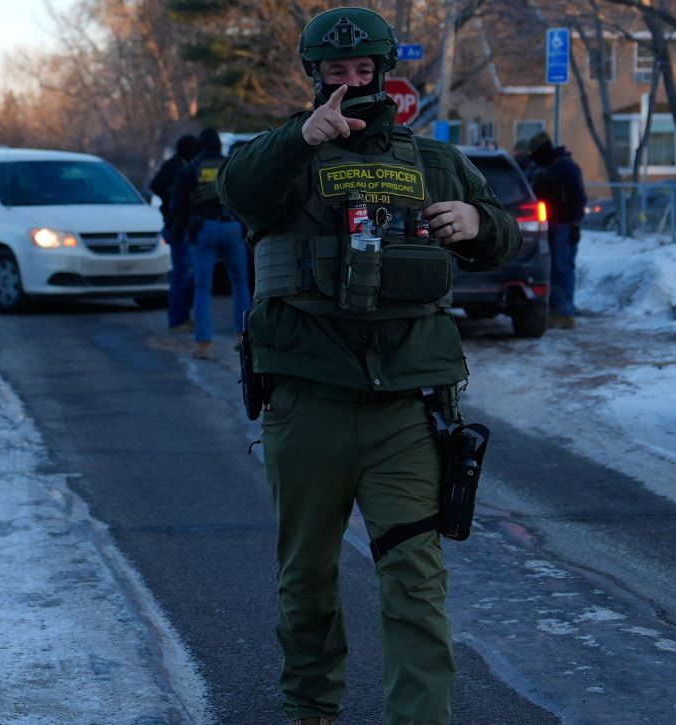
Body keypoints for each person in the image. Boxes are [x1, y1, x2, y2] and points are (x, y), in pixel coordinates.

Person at [217, 7, 520, 724]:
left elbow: (504, 232)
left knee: (415, 580)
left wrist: (479, 225)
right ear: (314, 74)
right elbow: (235, 191)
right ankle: (311, 707)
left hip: (406, 412)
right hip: (308, 403)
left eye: (361, 71)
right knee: (307, 578)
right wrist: (298, 137)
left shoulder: (434, 161)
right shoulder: (286, 160)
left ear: (383, 73)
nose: (349, 83)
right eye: (334, 72)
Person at [171, 128, 251, 359]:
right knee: (240, 282)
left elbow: (178, 206)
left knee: (202, 288)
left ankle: (203, 344)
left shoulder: (190, 170)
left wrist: (185, 227)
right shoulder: (230, 165)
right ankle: (243, 337)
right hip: (232, 227)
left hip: (203, 229)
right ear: (218, 145)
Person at [526, 130, 587, 329]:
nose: (533, 156)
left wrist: (575, 224)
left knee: (561, 267)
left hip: (564, 224)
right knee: (552, 268)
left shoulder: (566, 167)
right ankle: (558, 308)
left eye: (535, 151)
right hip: (547, 224)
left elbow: (578, 197)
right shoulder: (542, 168)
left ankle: (564, 312)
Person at [149, 134, 199, 330]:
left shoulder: (186, 164)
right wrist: (176, 196)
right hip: (178, 225)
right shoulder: (174, 166)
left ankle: (182, 316)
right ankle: (177, 319)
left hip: (184, 224)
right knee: (182, 274)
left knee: (187, 274)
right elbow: (156, 185)